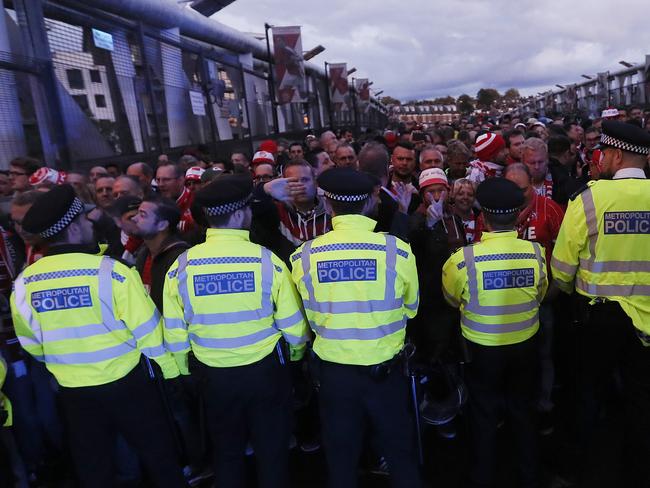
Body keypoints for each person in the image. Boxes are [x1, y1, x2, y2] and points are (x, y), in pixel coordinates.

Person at [9, 184, 185, 488]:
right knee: (161, 460)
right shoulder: (112, 272)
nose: (91, 225)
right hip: (130, 385)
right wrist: (173, 375)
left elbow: (32, 344)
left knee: (94, 469)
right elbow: (149, 335)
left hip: (74, 391)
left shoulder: (24, 284)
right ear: (74, 229)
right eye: (85, 222)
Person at [163, 173, 309, 488]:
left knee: (227, 454)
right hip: (266, 373)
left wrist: (183, 372)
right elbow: (294, 327)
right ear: (242, 213)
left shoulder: (182, 266)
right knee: (272, 454)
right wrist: (295, 358)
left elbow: (174, 330)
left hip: (213, 377)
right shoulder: (267, 261)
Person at [290, 167, 422, 488]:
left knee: (341, 458)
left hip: (335, 377)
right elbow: (412, 308)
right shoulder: (397, 251)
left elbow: (304, 317)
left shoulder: (304, 256)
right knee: (400, 454)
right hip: (386, 374)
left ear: (328, 206)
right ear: (368, 204)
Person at [550, 120, 650, 486]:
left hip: (599, 320)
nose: (600, 159)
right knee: (642, 400)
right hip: (647, 323)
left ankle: (588, 471)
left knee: (588, 394)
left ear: (617, 154)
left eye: (604, 153)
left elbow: (562, 269)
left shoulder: (589, 199)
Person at [442, 177, 548, 488]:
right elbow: (540, 293)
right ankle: (529, 475)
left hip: (481, 349)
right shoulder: (536, 253)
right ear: (518, 216)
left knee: (484, 414)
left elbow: (451, 297)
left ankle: (482, 476)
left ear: (483, 217)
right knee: (522, 411)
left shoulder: (463, 260)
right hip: (526, 346)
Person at [252, 160, 330, 265]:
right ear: (282, 184)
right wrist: (265, 189)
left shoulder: (330, 210)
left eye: (305, 180)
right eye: (293, 181)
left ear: (315, 183)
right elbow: (249, 207)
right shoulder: (275, 212)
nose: (300, 185)